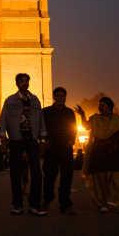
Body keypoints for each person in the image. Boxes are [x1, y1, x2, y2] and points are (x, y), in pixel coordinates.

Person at [75, 97, 119, 215]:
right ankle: (103, 204)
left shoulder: (118, 119)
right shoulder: (95, 118)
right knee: (100, 179)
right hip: (99, 151)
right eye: (100, 105)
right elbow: (85, 126)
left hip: (116, 151)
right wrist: (82, 114)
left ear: (110, 106)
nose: (100, 107)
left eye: (103, 105)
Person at [0, 73, 48, 216]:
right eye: (21, 81)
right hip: (16, 141)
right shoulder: (10, 101)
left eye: (26, 81)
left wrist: (43, 138)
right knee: (15, 174)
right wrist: (2, 139)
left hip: (32, 140)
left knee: (37, 174)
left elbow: (41, 119)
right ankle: (17, 204)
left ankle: (35, 205)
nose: (24, 83)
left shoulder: (35, 100)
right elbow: (3, 120)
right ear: (17, 83)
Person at [42, 87, 77, 215]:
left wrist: (71, 141)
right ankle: (47, 200)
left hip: (66, 148)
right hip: (51, 148)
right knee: (49, 177)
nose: (61, 98)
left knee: (67, 177)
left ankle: (65, 203)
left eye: (63, 95)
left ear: (65, 97)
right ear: (54, 97)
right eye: (58, 95)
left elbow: (74, 128)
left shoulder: (69, 112)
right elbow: (42, 127)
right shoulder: (46, 112)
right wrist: (44, 141)